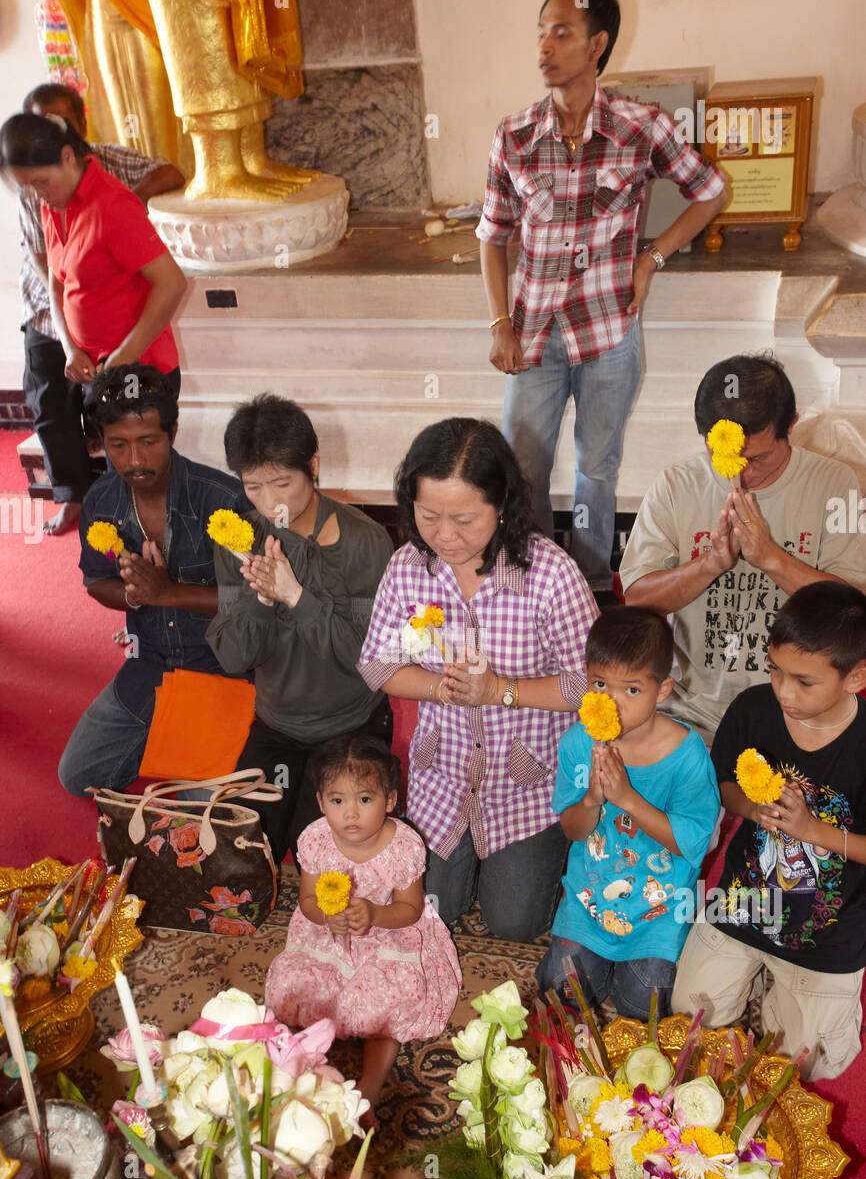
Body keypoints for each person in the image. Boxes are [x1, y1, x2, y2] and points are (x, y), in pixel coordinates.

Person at [477, 0, 728, 597]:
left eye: (560, 33)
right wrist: (498, 323)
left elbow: (711, 192)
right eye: (540, 33)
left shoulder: (640, 126)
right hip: (533, 337)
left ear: (596, 46)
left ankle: (588, 587)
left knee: (597, 470)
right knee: (524, 470)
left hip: (609, 336)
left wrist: (654, 256)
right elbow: (492, 236)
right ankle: (533, 584)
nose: (544, 46)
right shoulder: (513, 136)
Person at [358, 417, 598, 943]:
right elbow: (378, 665)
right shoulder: (407, 567)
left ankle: (535, 860)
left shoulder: (550, 575)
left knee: (515, 923)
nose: (445, 535)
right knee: (430, 913)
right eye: (429, 515)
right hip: (440, 778)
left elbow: (590, 690)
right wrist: (436, 687)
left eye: (465, 518)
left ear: (503, 504)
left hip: (524, 783)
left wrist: (499, 691)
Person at [673, 583, 866, 1082]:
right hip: (743, 902)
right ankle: (757, 980)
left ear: (856, 677)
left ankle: (775, 990)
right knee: (689, 1023)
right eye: (775, 669)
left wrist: (811, 830)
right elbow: (724, 787)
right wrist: (754, 809)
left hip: (828, 931)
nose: (783, 690)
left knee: (809, 1066)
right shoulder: (754, 709)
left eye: (804, 681)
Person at [620, 354, 865, 743]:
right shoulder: (675, 484)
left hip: (801, 714)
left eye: (758, 458)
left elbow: (853, 608)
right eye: (726, 457)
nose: (740, 473)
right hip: (692, 714)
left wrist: (771, 559)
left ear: (792, 425)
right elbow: (636, 599)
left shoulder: (835, 484)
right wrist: (709, 564)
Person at [206, 395, 394, 864]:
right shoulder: (238, 540)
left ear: (312, 466)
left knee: (334, 856)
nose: (270, 502)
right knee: (245, 852)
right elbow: (232, 657)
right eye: (253, 487)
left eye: (282, 483)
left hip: (351, 722)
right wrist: (262, 597)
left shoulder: (365, 540)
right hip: (279, 725)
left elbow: (368, 662)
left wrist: (298, 598)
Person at [58, 364, 249, 797]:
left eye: (149, 442)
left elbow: (254, 600)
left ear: (173, 433)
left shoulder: (221, 498)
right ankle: (172, 737)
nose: (135, 460)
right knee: (77, 776)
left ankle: (224, 737)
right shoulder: (102, 501)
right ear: (101, 443)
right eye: (118, 445)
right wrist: (133, 594)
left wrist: (169, 593)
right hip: (150, 664)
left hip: (222, 666)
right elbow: (95, 581)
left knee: (196, 806)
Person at [15, 83, 185, 536]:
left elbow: (171, 284)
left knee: (143, 458)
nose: (37, 194)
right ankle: (130, 538)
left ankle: (169, 550)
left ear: (69, 156)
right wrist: (70, 347)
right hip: (97, 362)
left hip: (138, 366)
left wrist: (126, 354)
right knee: (118, 456)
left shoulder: (111, 204)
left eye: (42, 181)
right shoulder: (54, 202)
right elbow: (53, 276)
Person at [536, 606, 720, 1022]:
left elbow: (691, 841)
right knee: (558, 986)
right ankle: (600, 971)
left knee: (645, 1002)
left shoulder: (687, 755)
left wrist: (627, 799)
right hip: (590, 905)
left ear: (664, 688)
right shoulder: (579, 743)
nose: (613, 703)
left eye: (632, 690)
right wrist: (591, 800)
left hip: (658, 912)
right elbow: (573, 830)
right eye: (600, 684)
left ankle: (632, 975)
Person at [265, 733, 461, 1110]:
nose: (350, 814)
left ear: (390, 800)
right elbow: (307, 901)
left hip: (390, 930)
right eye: (337, 801)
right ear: (321, 801)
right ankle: (295, 1073)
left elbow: (410, 909)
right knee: (293, 990)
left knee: (387, 1000)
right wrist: (326, 916)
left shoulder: (403, 844)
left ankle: (367, 1090)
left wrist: (374, 914)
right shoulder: (316, 840)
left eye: (365, 800)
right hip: (326, 933)